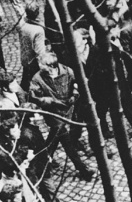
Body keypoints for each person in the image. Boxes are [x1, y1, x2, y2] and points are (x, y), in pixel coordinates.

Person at [28, 52, 95, 181]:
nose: (40, 68)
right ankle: (83, 169)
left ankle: (42, 160)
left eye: (43, 66)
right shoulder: (37, 78)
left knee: (54, 138)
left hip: (67, 109)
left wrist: (74, 96)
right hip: (53, 113)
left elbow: (77, 83)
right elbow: (34, 96)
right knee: (65, 139)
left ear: (52, 66)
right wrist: (50, 101)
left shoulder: (67, 71)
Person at [14, 2, 46, 92]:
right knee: (35, 84)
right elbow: (39, 51)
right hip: (34, 62)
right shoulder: (38, 30)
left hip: (25, 58)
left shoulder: (22, 25)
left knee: (25, 80)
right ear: (37, 13)